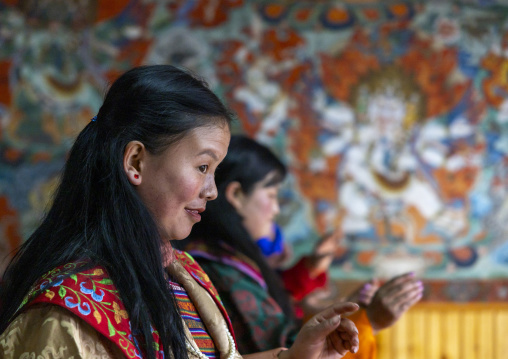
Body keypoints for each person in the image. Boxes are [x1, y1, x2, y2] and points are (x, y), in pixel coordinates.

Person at [0, 65, 360, 359]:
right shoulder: (67, 311)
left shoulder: (184, 273)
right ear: (136, 161)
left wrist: (294, 357)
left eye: (215, 171)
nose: (212, 191)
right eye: (203, 167)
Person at [181, 135, 424, 358]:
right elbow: (288, 349)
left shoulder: (226, 259)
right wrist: (370, 319)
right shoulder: (221, 270)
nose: (276, 209)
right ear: (236, 195)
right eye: (272, 195)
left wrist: (333, 306)